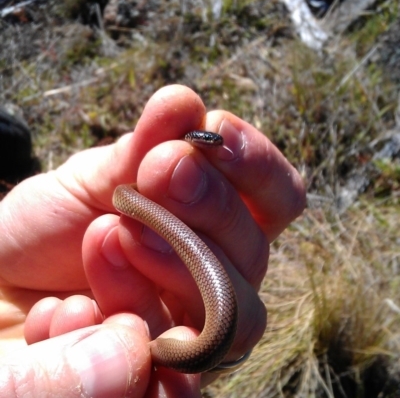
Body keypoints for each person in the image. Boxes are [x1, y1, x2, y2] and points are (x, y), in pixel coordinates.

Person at [0, 85, 306, 397]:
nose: (211, 142)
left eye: (213, 142)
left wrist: (218, 354)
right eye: (205, 140)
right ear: (192, 140)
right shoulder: (128, 191)